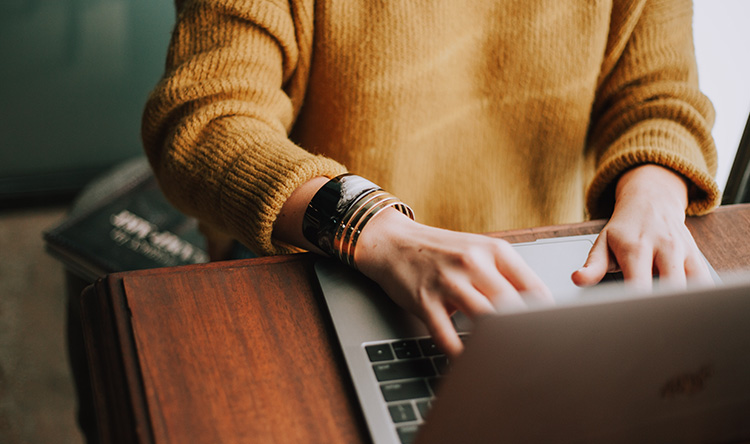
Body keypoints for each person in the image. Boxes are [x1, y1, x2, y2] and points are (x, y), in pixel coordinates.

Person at [142, 0, 720, 357]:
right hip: (324, 269)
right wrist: (373, 228)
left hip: (545, 285)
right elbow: (204, 121)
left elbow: (660, 98)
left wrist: (655, 192)